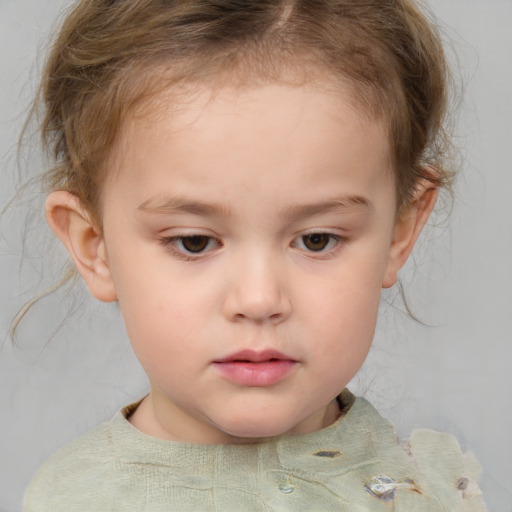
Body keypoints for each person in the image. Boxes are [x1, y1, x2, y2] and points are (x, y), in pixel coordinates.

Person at [21, 0, 487, 510]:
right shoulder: (72, 500)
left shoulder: (435, 490)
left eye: (317, 239)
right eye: (194, 242)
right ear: (96, 248)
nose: (260, 299)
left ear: (400, 231)